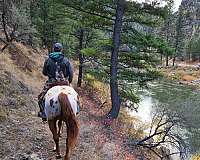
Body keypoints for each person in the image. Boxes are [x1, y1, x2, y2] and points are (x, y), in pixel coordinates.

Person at [38, 43, 73, 120]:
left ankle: (43, 113)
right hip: (64, 82)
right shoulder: (66, 60)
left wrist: (50, 73)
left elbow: (44, 72)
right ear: (61, 50)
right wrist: (69, 81)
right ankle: (76, 110)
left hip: (52, 83)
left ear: (53, 49)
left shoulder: (48, 59)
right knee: (75, 96)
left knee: (41, 97)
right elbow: (70, 73)